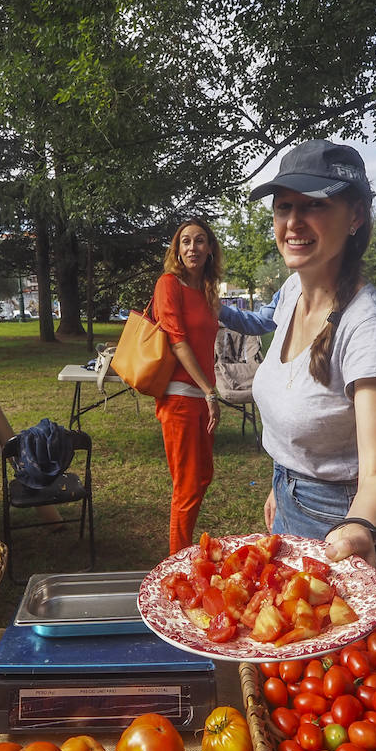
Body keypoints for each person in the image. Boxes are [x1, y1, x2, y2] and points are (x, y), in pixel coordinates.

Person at [247, 139, 376, 581]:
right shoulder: (290, 296)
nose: (293, 222)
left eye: (313, 206)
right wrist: (282, 483)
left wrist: (359, 530)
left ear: (355, 216)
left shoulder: (369, 326)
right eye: (283, 207)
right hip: (290, 499)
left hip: (345, 524)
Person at [152, 218, 224, 554]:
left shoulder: (208, 291)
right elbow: (178, 341)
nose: (192, 248)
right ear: (176, 250)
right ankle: (177, 561)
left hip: (201, 396)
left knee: (203, 477)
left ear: (210, 248)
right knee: (187, 485)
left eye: (199, 241)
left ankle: (182, 552)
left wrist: (208, 392)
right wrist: (210, 391)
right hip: (180, 397)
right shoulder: (169, 284)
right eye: (185, 242)